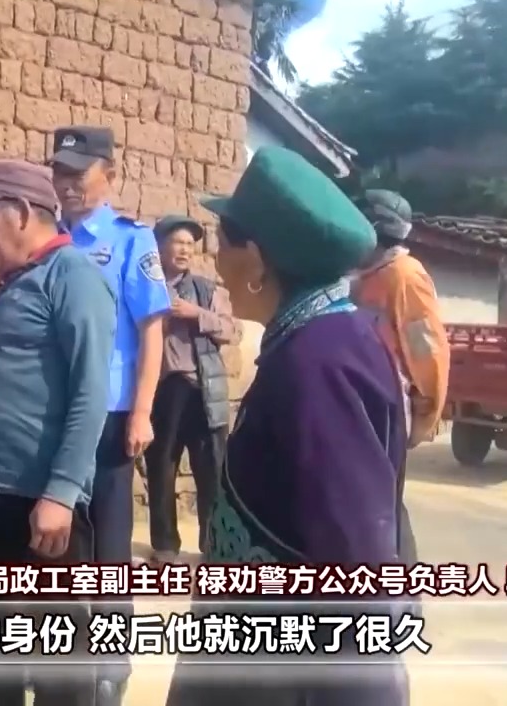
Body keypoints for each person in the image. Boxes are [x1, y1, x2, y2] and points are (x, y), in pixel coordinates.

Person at [166, 146, 409, 706]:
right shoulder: (326, 336)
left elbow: (354, 558)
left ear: (255, 259)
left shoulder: (316, 364)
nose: (216, 261)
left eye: (223, 243)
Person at [0, 159, 114, 706]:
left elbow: (91, 393)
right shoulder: (15, 283)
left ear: (19, 212)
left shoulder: (73, 277)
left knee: (58, 669)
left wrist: (61, 493)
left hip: (37, 505)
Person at [50, 126, 169, 704]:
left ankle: (111, 669)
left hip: (112, 417)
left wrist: (142, 410)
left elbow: (152, 331)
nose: (67, 184)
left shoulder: (130, 241)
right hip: (54, 416)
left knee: (110, 549)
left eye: (79, 173)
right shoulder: (47, 235)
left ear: (110, 175)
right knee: (60, 544)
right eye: (59, 172)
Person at [349, 189, 446, 563]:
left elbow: (426, 347)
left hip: (389, 404)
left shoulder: (405, 276)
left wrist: (428, 407)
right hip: (363, 398)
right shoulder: (368, 274)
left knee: (384, 504)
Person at [143, 214, 238, 563]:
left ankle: (212, 544)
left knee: (211, 469)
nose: (184, 250)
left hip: (203, 390)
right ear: (160, 247)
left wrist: (195, 313)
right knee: (161, 467)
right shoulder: (147, 287)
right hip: (163, 389)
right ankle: (165, 545)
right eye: (177, 242)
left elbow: (231, 331)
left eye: (189, 244)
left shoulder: (206, 290)